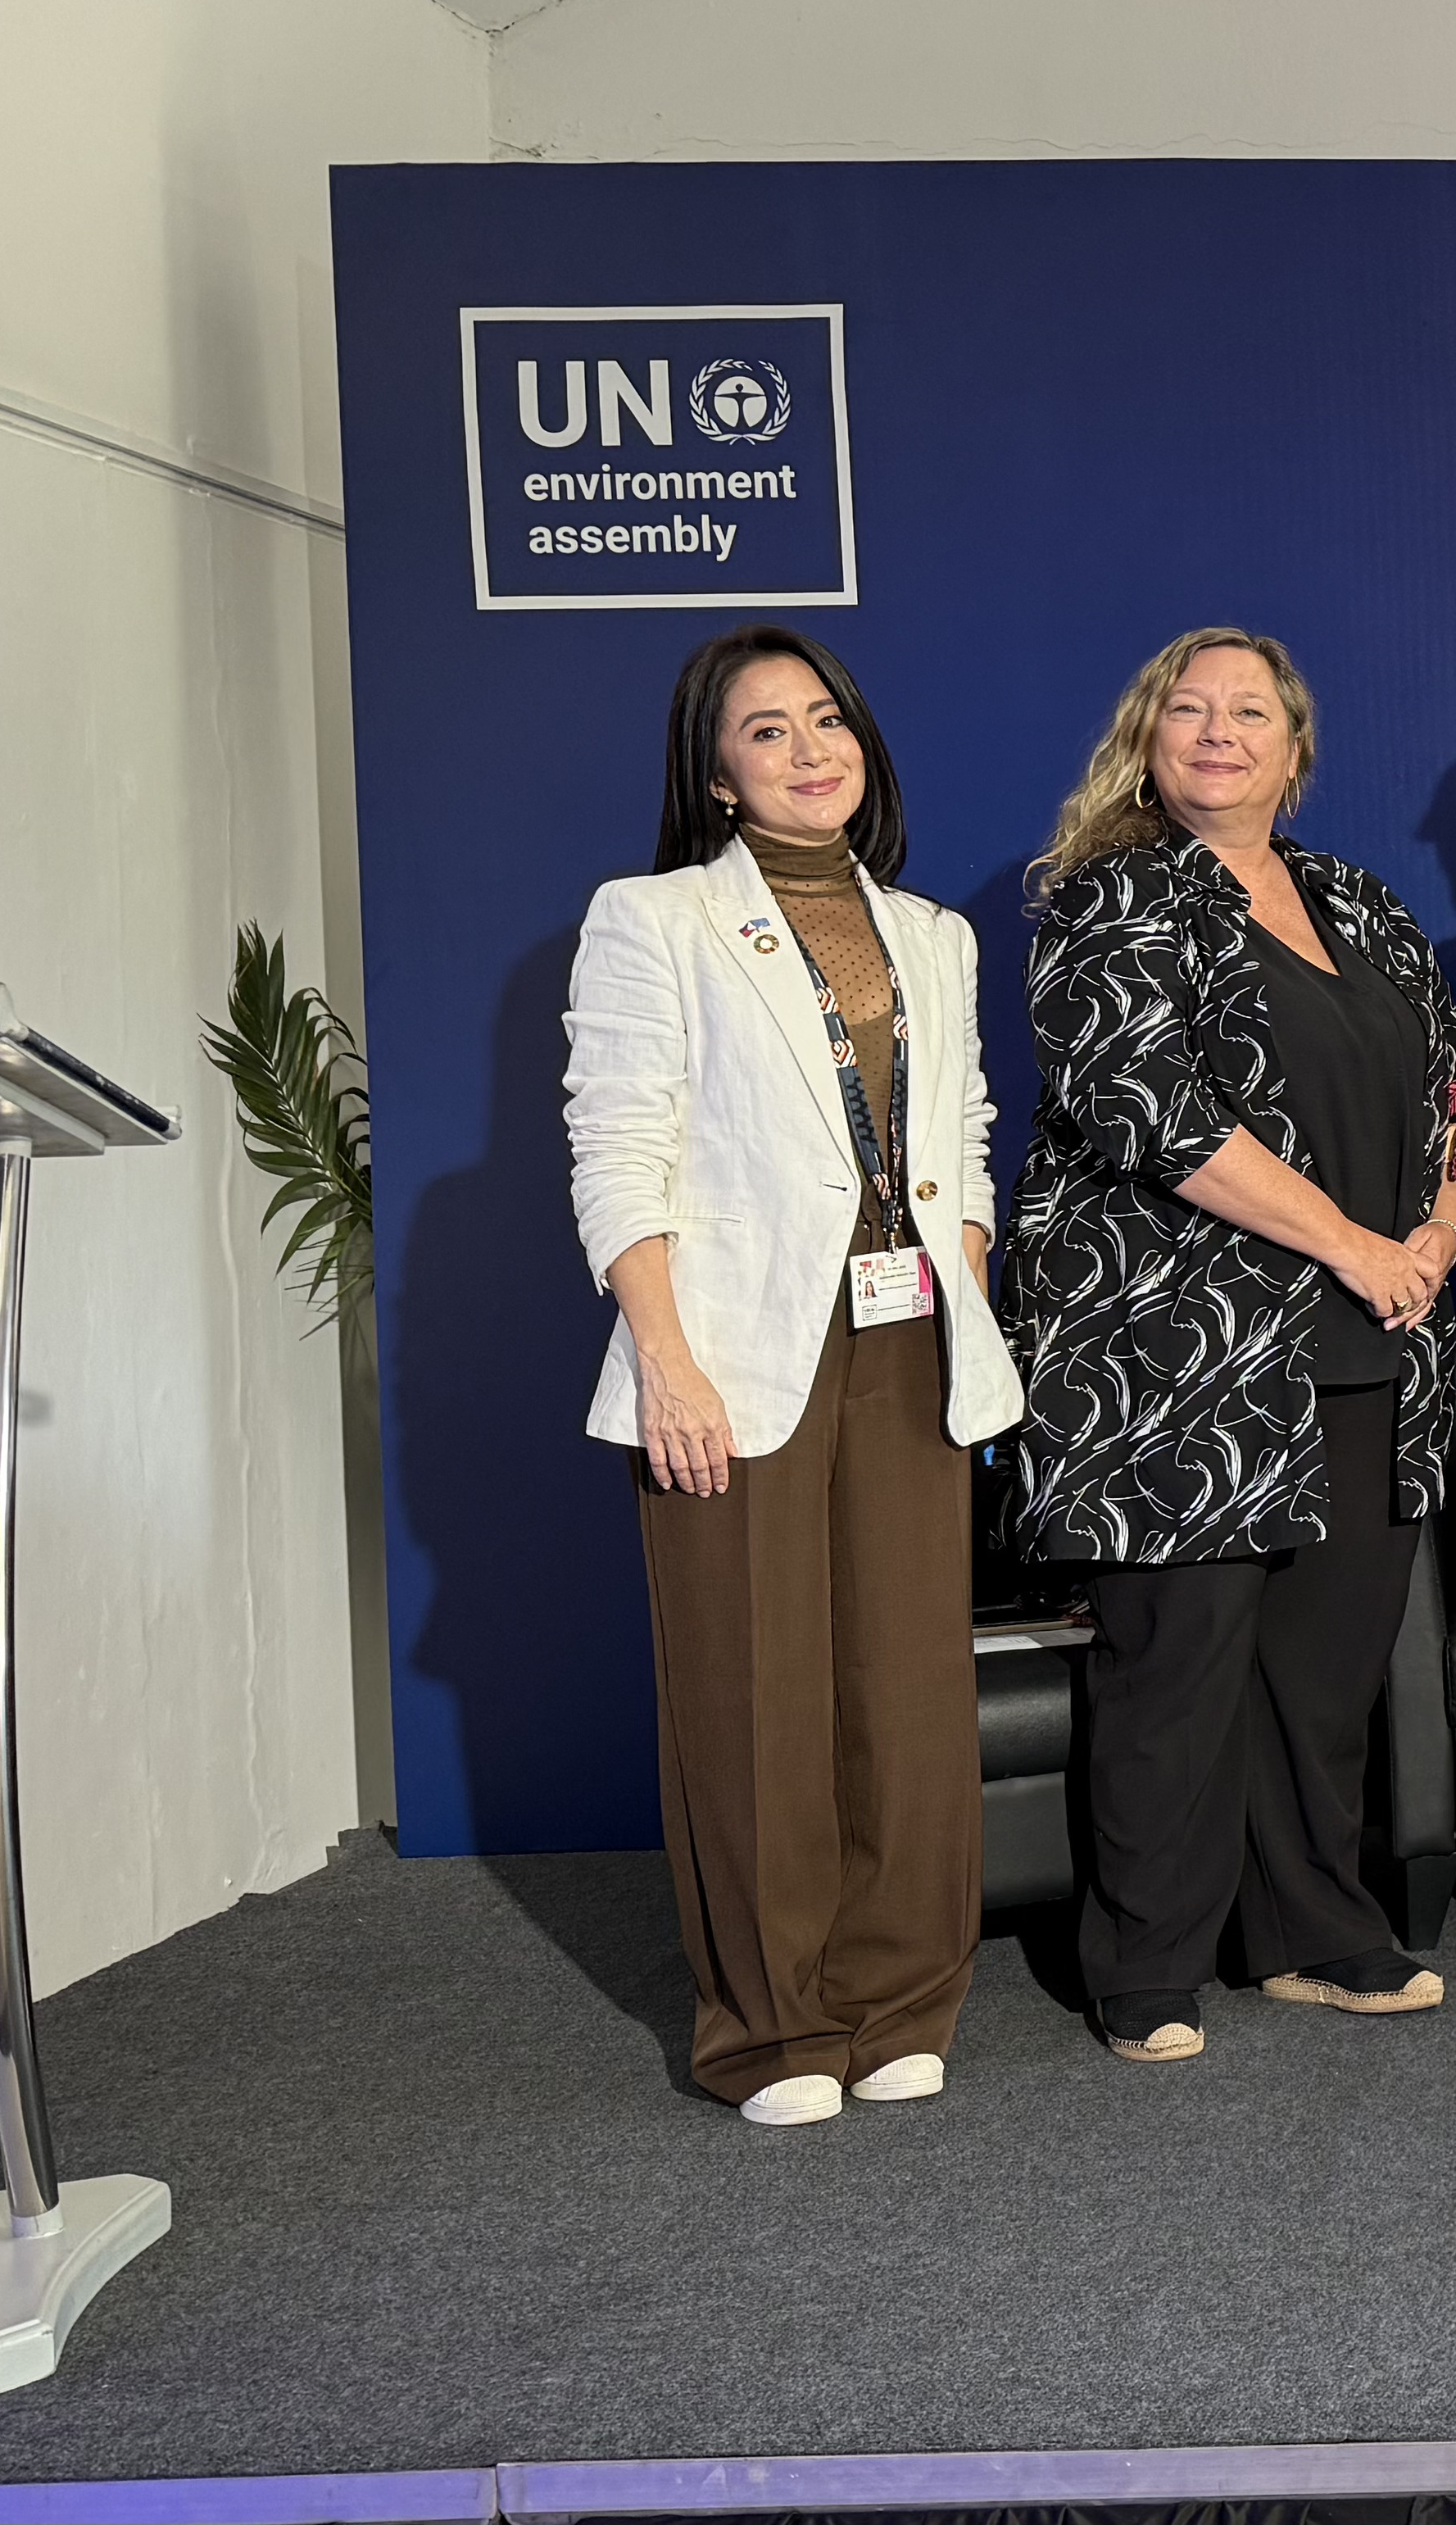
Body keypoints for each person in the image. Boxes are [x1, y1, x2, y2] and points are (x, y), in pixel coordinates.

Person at [565, 624, 1025, 2125]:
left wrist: (962, 1260)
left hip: (910, 1334)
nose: (809, 749)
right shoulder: (655, 919)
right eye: (767, 730)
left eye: (826, 720)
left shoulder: (935, 934)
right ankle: (773, 2029)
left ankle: (900, 1998)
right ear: (717, 775)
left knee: (905, 1686)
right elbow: (616, 1146)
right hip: (736, 1345)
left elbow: (963, 1129)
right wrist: (666, 1359)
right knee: (752, 1689)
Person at [1008, 627, 1456, 2064]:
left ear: (1295, 748)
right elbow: (1147, 1106)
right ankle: (1145, 1961)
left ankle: (1313, 1931)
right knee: (1178, 1668)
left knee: (1322, 1674)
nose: (1220, 732)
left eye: (1250, 712)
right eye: (1190, 710)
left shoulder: (1361, 902)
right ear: (1147, 741)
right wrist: (1354, 1243)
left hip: (1371, 1337)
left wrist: (1436, 1239)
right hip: (1180, 1352)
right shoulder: (1109, 896)